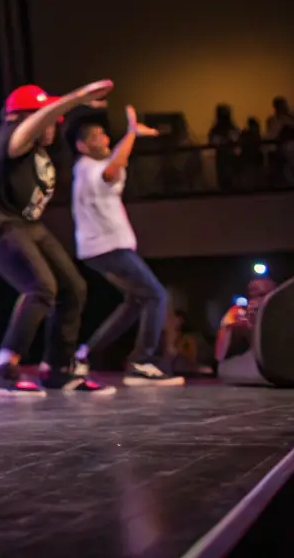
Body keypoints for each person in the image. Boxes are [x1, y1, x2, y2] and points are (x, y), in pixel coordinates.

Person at [0, 81, 116, 397]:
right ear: (25, 118)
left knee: (73, 288)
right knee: (41, 287)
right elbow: (27, 128)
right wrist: (75, 99)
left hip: (27, 225)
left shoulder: (40, 152)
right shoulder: (11, 141)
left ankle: (57, 370)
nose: (55, 125)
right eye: (47, 118)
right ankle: (4, 371)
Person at [70, 109, 184, 386]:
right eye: (97, 136)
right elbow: (112, 170)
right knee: (156, 295)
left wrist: (128, 136)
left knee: (135, 301)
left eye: (105, 134)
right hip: (108, 247)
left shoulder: (89, 167)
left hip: (103, 248)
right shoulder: (87, 167)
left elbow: (113, 164)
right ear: (82, 146)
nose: (105, 138)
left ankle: (84, 354)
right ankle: (141, 362)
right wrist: (132, 133)